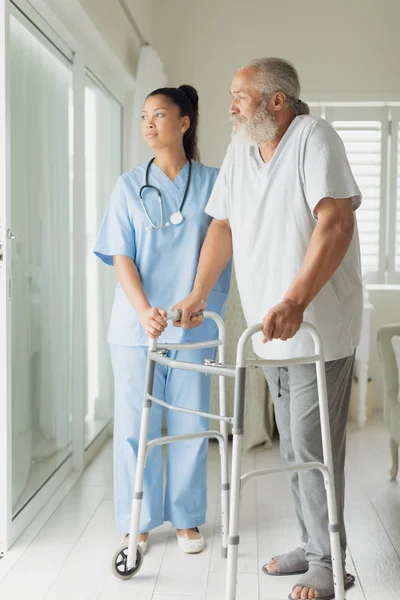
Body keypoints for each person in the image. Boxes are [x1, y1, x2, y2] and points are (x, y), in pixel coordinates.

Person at [172, 58, 362, 599]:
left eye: (240, 95)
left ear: (277, 101)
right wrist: (199, 292)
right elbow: (224, 226)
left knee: (312, 445)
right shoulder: (239, 152)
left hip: (317, 325)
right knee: (293, 448)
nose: (229, 105)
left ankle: (329, 563)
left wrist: (297, 299)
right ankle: (313, 542)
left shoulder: (313, 137)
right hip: (268, 329)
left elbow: (337, 221)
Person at [94, 85, 231, 555]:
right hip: (138, 325)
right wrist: (144, 311)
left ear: (184, 123)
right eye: (144, 116)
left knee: (190, 424)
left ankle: (188, 519)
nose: (149, 124)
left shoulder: (215, 182)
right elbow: (120, 254)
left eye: (159, 115)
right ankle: (139, 519)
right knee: (136, 428)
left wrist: (191, 300)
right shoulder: (128, 185)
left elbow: (225, 243)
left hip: (195, 321)